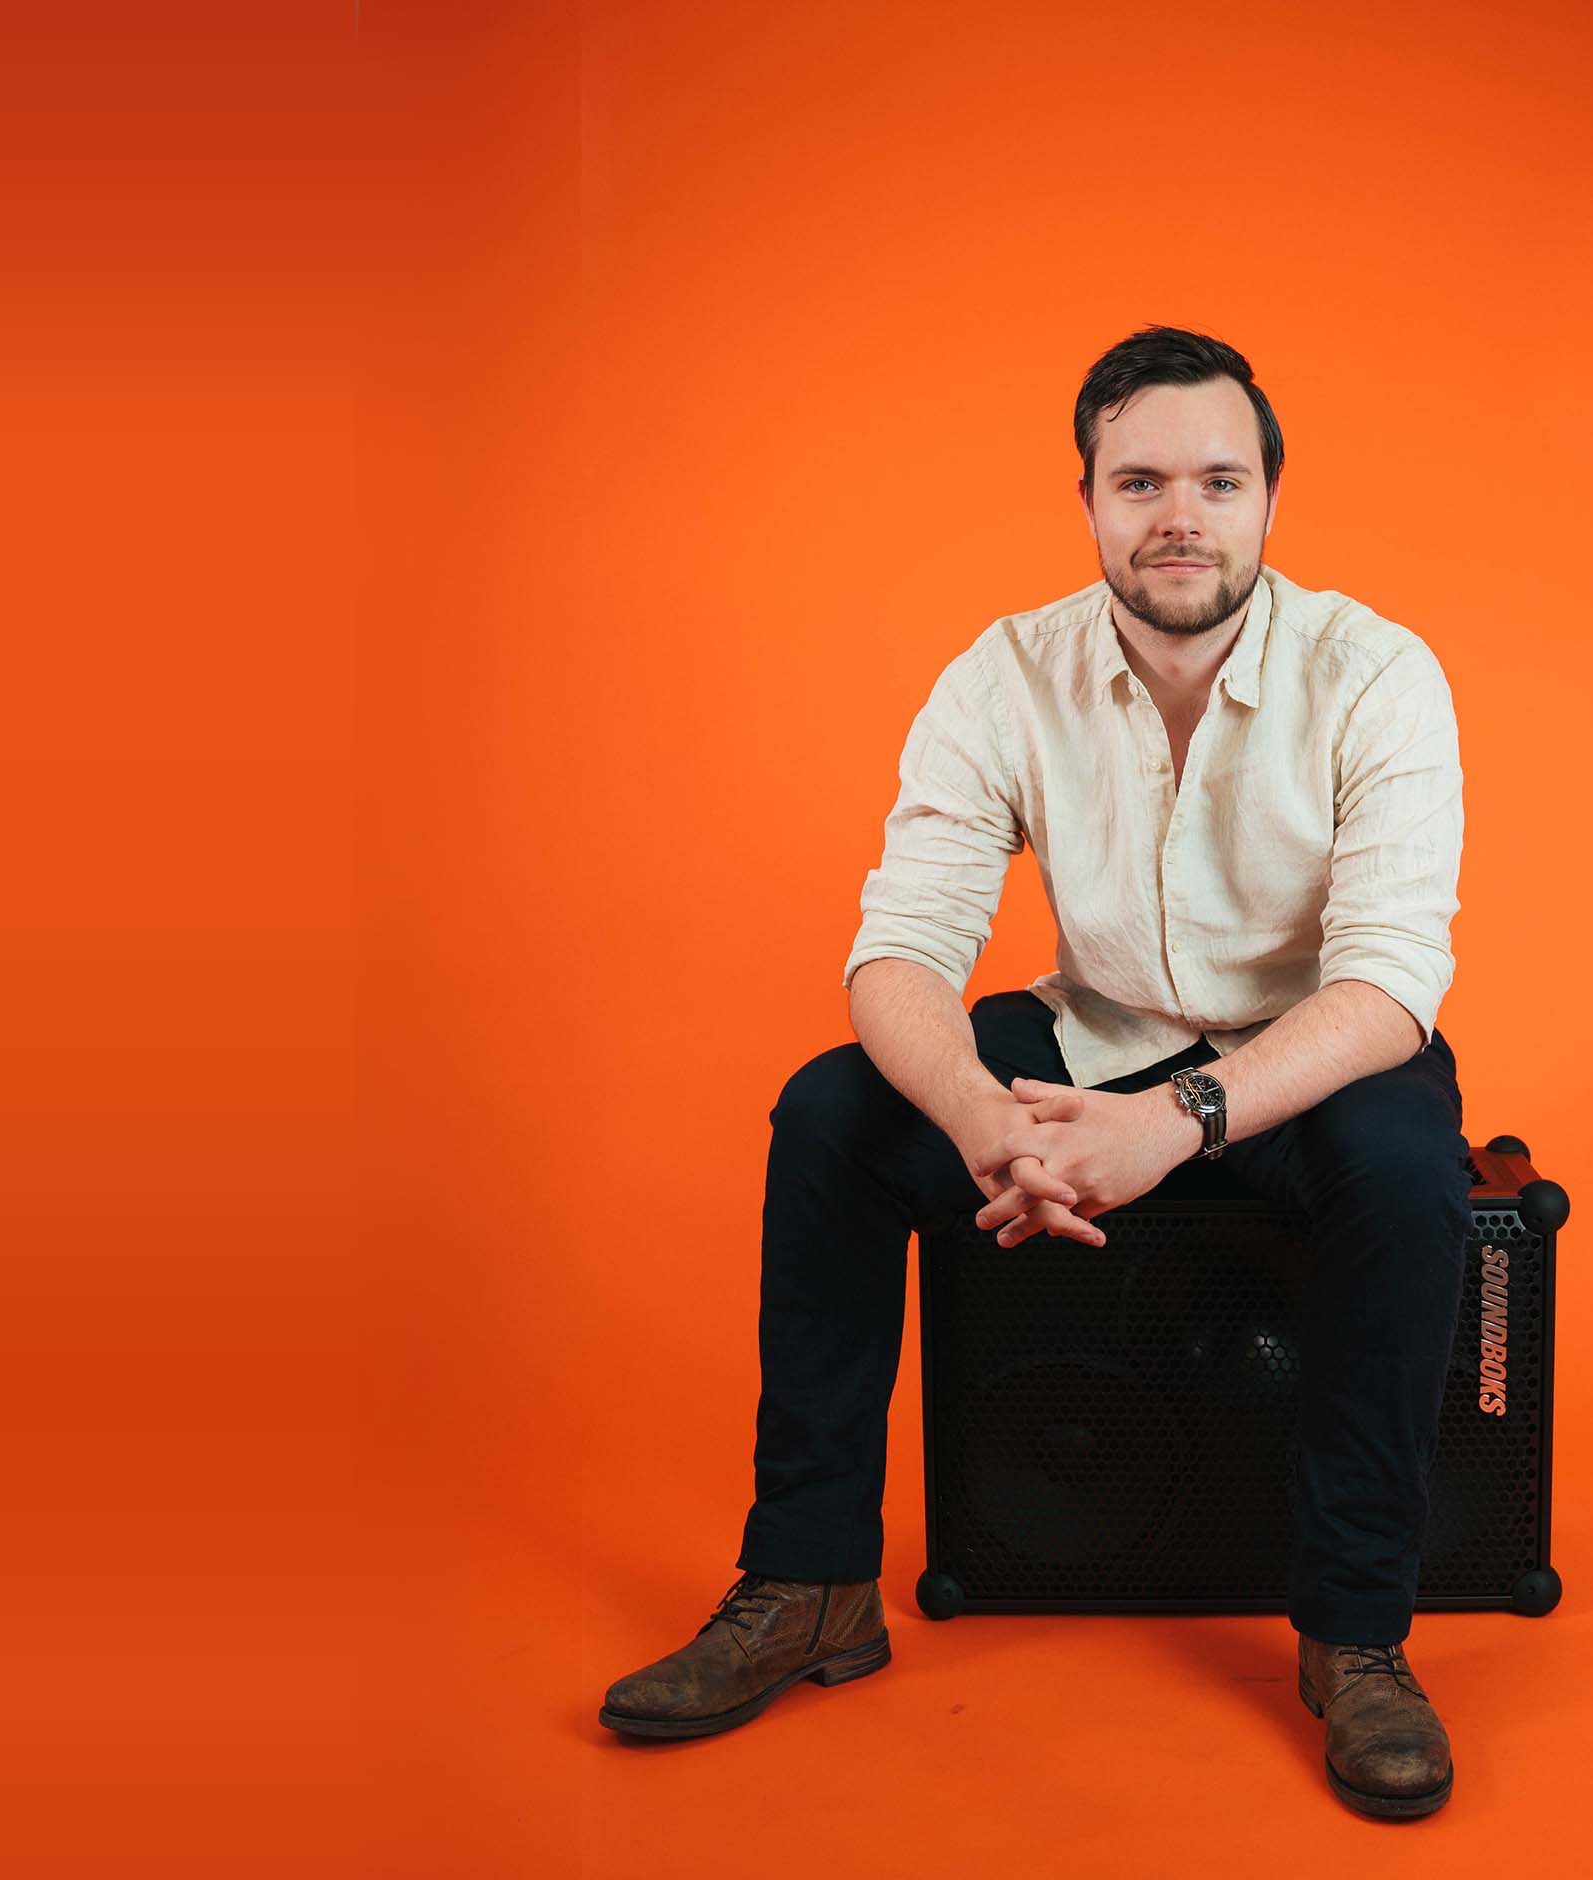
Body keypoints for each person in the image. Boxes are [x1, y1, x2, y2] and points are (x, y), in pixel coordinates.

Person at [598, 325, 1471, 1821]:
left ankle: (1357, 1636)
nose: (1178, 513)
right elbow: (898, 954)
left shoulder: (1378, 672)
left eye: (1218, 478)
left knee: (1406, 1168)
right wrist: (984, 1118)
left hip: (1300, 1059)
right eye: (1140, 480)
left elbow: (1390, 980)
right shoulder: (1004, 673)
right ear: (1088, 500)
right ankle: (810, 1583)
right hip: (1094, 1030)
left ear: (1271, 498)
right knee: (830, 1113)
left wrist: (1173, 1125)